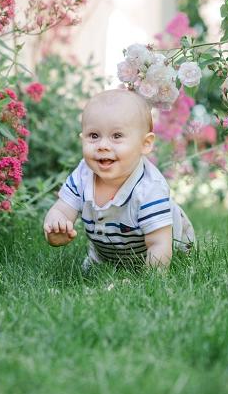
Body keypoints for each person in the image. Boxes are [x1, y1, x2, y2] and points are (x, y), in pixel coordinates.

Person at [42, 87, 195, 271]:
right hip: (107, 251)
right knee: (96, 274)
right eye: (94, 136)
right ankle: (105, 262)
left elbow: (159, 244)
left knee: (166, 252)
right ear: (82, 138)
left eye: (117, 136)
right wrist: (56, 225)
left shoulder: (148, 189)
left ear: (145, 144)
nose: (103, 145)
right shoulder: (83, 174)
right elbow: (61, 209)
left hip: (165, 248)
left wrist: (151, 282)